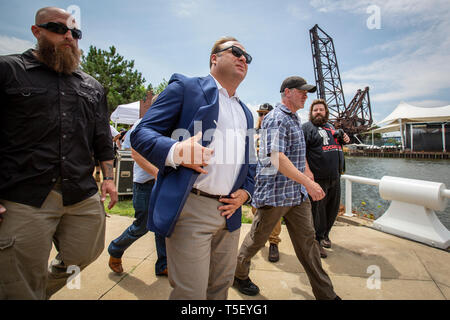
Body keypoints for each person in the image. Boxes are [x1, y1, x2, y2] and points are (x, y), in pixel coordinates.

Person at [0, 7, 117, 300]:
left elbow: (102, 137)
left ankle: (38, 290)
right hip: (22, 195)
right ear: (36, 31)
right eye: (59, 29)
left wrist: (109, 178)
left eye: (75, 33)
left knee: (86, 251)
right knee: (17, 274)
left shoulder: (91, 86)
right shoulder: (8, 70)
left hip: (80, 192)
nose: (69, 37)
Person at [131, 36, 255, 300]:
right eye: (236, 52)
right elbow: (142, 134)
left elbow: (250, 160)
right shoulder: (186, 88)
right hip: (191, 207)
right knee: (191, 295)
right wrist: (177, 151)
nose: (243, 58)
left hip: (230, 213)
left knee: (219, 291)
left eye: (247, 56)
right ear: (214, 58)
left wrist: (246, 193)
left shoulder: (246, 111)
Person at [234, 76, 340, 300]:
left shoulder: (294, 118)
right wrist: (309, 182)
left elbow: (296, 154)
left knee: (308, 244)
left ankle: (326, 295)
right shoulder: (276, 119)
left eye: (307, 92)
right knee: (256, 240)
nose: (305, 95)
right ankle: (238, 274)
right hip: (275, 195)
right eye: (301, 91)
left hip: (296, 195)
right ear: (287, 92)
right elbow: (276, 157)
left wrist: (307, 175)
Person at [108, 94, 168, 276]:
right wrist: (157, 172)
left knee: (162, 226)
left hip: (162, 185)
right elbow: (134, 154)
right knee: (142, 225)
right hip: (144, 184)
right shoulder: (143, 124)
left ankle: (163, 265)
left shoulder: (169, 126)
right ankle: (115, 249)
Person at [302, 98, 350, 258]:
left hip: (335, 176)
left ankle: (325, 235)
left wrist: (345, 139)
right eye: (315, 110)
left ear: (326, 112)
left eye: (321, 110)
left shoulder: (331, 127)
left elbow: (336, 146)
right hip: (318, 178)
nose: (318, 112)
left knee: (332, 209)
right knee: (316, 212)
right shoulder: (306, 128)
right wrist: (308, 174)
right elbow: (301, 153)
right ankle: (316, 240)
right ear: (311, 113)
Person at [254, 103, 282, 263]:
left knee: (273, 212)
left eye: (266, 113)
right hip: (257, 179)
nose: (263, 117)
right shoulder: (253, 133)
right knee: (256, 211)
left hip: (273, 178)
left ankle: (273, 242)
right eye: (260, 114)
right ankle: (260, 238)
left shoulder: (277, 133)